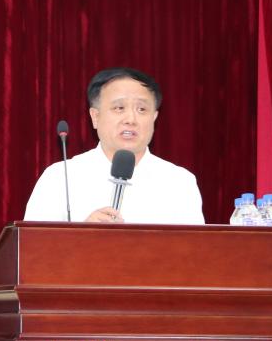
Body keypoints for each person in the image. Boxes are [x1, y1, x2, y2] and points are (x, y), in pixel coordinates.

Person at [24, 67, 204, 224]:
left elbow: (195, 250)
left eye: (142, 109)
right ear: (95, 117)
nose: (131, 119)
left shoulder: (179, 182)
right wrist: (80, 237)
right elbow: (31, 248)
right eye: (119, 108)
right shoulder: (60, 177)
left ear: (154, 118)